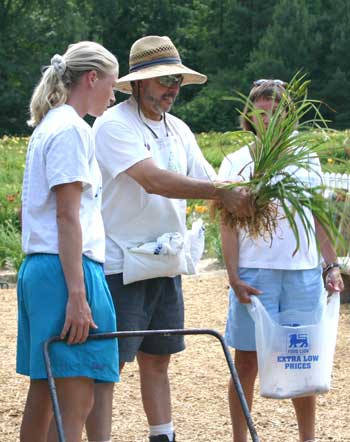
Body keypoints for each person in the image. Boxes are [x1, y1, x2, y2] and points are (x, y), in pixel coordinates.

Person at [87, 35, 251, 442]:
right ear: (137, 82)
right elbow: (153, 180)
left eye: (176, 79)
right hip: (120, 263)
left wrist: (252, 189)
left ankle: (163, 436)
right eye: (164, 80)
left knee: (159, 360)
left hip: (165, 259)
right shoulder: (113, 125)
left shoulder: (178, 129)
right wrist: (221, 193)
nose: (173, 88)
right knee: (109, 366)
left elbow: (210, 178)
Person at [218, 79, 344, 442]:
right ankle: (240, 438)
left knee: (303, 363)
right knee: (246, 362)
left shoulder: (307, 158)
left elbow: (317, 216)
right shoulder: (237, 161)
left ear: (289, 117)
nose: (268, 119)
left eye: (277, 113)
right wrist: (232, 276)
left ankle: (307, 438)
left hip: (302, 274)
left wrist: (330, 265)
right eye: (260, 113)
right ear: (249, 118)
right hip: (254, 273)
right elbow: (227, 225)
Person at [17, 41, 119, 442]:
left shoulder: (50, 125)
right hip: (66, 270)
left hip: (45, 268)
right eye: (111, 86)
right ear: (91, 78)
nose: (112, 96)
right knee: (75, 404)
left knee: (45, 395)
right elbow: (67, 215)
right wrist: (78, 294)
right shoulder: (72, 129)